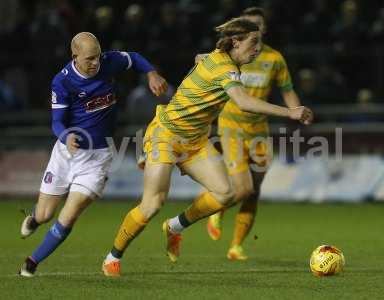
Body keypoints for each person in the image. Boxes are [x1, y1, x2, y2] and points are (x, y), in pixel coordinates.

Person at [102, 17, 313, 277]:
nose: (258, 48)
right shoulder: (226, 68)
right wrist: (290, 112)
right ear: (236, 42)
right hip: (166, 135)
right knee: (152, 204)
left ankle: (175, 227)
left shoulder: (221, 58)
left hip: (196, 140)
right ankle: (113, 256)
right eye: (254, 42)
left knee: (226, 193)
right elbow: (243, 101)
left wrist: (200, 57)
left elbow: (202, 58)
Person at [18, 32, 167, 277]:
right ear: (74, 56)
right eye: (89, 59)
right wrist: (66, 136)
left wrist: (151, 73)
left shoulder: (109, 62)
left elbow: (135, 58)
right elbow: (56, 122)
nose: (95, 63)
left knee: (70, 214)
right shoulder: (63, 82)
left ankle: (32, 262)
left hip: (98, 158)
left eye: (97, 57)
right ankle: (35, 218)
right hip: (66, 154)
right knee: (46, 214)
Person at [201, 7, 308, 260]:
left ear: (263, 29)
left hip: (259, 130)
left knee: (254, 190)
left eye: (256, 25)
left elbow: (287, 89)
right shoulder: (230, 56)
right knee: (243, 188)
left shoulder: (274, 59)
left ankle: (236, 246)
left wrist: (298, 111)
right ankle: (217, 207)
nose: (251, 29)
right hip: (231, 127)